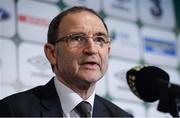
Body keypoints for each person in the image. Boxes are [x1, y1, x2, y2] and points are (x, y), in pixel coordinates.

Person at [0, 6, 133, 117]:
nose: (92, 49)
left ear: (108, 52)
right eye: (77, 38)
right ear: (52, 53)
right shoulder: (13, 111)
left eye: (99, 40)